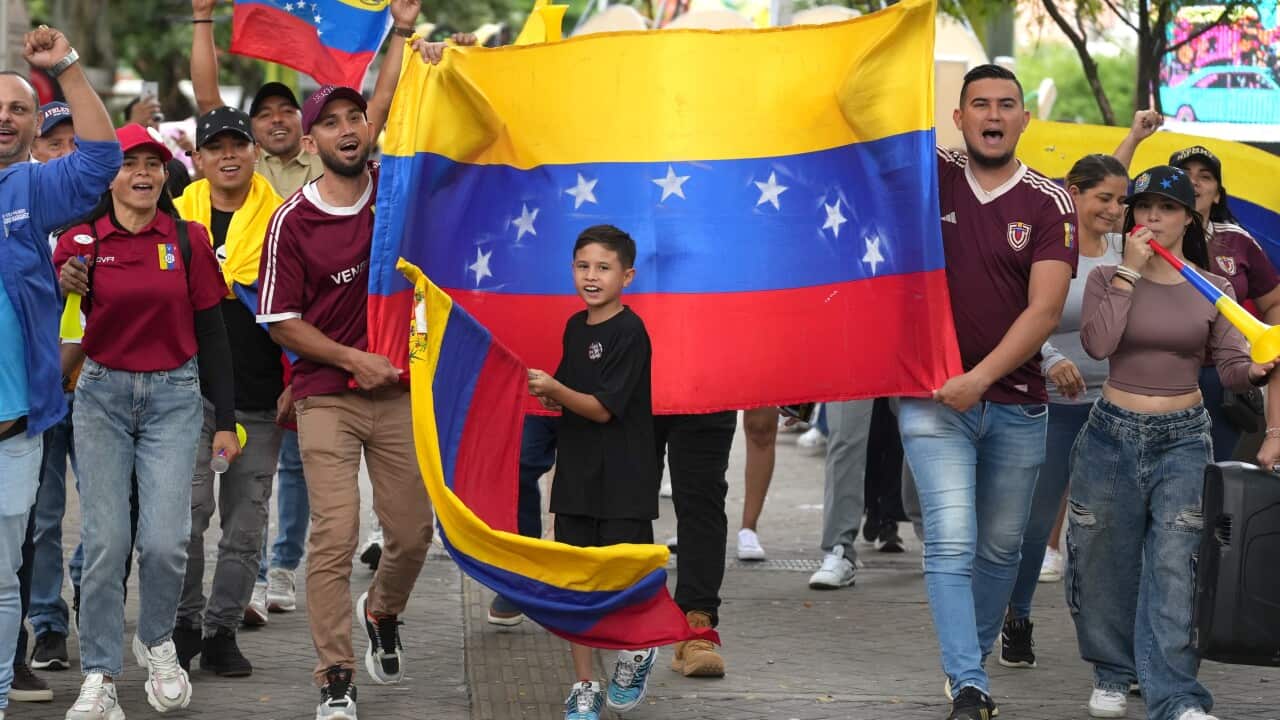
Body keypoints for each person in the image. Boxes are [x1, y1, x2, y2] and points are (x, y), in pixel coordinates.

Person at [896, 64, 1077, 720]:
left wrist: (981, 379)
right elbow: (862, 131)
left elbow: (1043, 313)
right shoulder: (928, 171)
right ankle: (970, 682)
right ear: (960, 117)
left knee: (1003, 548)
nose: (993, 115)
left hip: (1016, 405)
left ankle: (966, 664)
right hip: (932, 398)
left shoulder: (1049, 203)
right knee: (951, 539)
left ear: (1024, 119)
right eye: (980, 104)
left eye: (1006, 104)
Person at [1070, 164, 1273, 720]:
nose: (1151, 218)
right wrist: (1128, 275)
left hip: (1183, 436)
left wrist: (1255, 373)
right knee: (1103, 559)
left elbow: (1230, 365)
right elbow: (1099, 341)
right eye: (1143, 207)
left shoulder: (1215, 288)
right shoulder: (1105, 278)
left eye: (1166, 208)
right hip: (1111, 431)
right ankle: (1113, 672)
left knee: (1176, 564)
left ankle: (1175, 695)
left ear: (1189, 217)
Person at [54, 123, 237, 720]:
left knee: (165, 541)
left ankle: (157, 642)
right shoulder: (81, 240)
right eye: (129, 162)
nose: (142, 173)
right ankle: (101, 674)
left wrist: (226, 420)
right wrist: (66, 285)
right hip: (102, 396)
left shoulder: (188, 238)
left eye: (153, 164)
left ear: (166, 174)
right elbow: (58, 313)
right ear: (109, 174)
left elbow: (213, 330)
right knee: (106, 545)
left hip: (174, 398)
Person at [0, 25, 122, 719]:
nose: (6, 118)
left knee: (7, 569)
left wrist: (66, 66)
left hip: (18, 423)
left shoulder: (31, 188)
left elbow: (101, 157)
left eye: (19, 108)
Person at [999, 153, 1128, 673]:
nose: (1115, 210)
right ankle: (1018, 615)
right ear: (1073, 193)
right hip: (1049, 404)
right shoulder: (1048, 243)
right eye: (1103, 198)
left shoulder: (1127, 253)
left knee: (1108, 528)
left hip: (1113, 406)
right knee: (1033, 526)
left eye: (1122, 201)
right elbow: (1020, 315)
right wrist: (1050, 360)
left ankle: (1111, 641)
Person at [525, 225, 659, 720]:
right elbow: (574, 394)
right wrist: (552, 393)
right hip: (577, 477)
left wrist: (555, 390)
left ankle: (636, 650)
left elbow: (602, 408)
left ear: (628, 275)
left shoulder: (630, 331)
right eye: (583, 266)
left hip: (624, 479)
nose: (591, 276)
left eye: (604, 267)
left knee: (622, 582)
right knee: (575, 584)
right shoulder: (574, 327)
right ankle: (584, 686)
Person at [171, 105, 286, 673]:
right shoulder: (173, 219)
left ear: (254, 152)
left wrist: (296, 382)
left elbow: (300, 304)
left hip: (262, 398)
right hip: (189, 396)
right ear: (198, 159)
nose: (228, 155)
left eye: (237, 144)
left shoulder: (283, 219)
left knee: (245, 527)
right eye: (215, 147)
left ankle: (222, 632)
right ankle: (184, 625)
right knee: (186, 520)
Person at [1115, 117, 1280, 462]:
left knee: (1208, 482)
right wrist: (1133, 138)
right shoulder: (1142, 235)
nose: (1195, 181)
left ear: (1218, 193)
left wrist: (1263, 344)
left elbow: (1274, 302)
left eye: (1205, 176)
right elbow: (1112, 196)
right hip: (1152, 373)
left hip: (1221, 378)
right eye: (1184, 174)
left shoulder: (1238, 241)